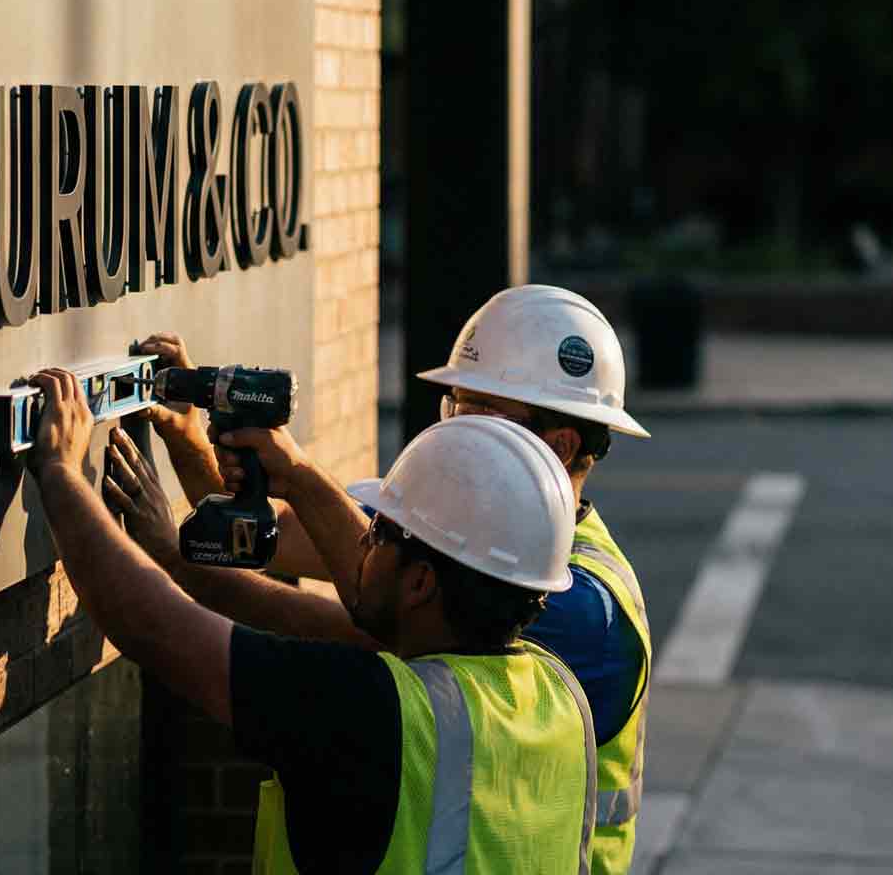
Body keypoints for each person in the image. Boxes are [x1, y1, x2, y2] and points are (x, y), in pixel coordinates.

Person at [136, 284, 653, 875]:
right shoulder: (465, 520)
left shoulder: (577, 606)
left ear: (558, 446)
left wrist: (185, 565)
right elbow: (264, 537)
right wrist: (188, 436)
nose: (456, 426)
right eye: (455, 405)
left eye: (477, 410)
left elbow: (356, 621)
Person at [26, 367, 598, 874]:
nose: (362, 544)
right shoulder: (558, 693)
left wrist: (60, 468)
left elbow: (155, 627)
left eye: (378, 534)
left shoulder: (374, 710)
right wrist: (201, 536)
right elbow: (307, 619)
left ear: (421, 584)